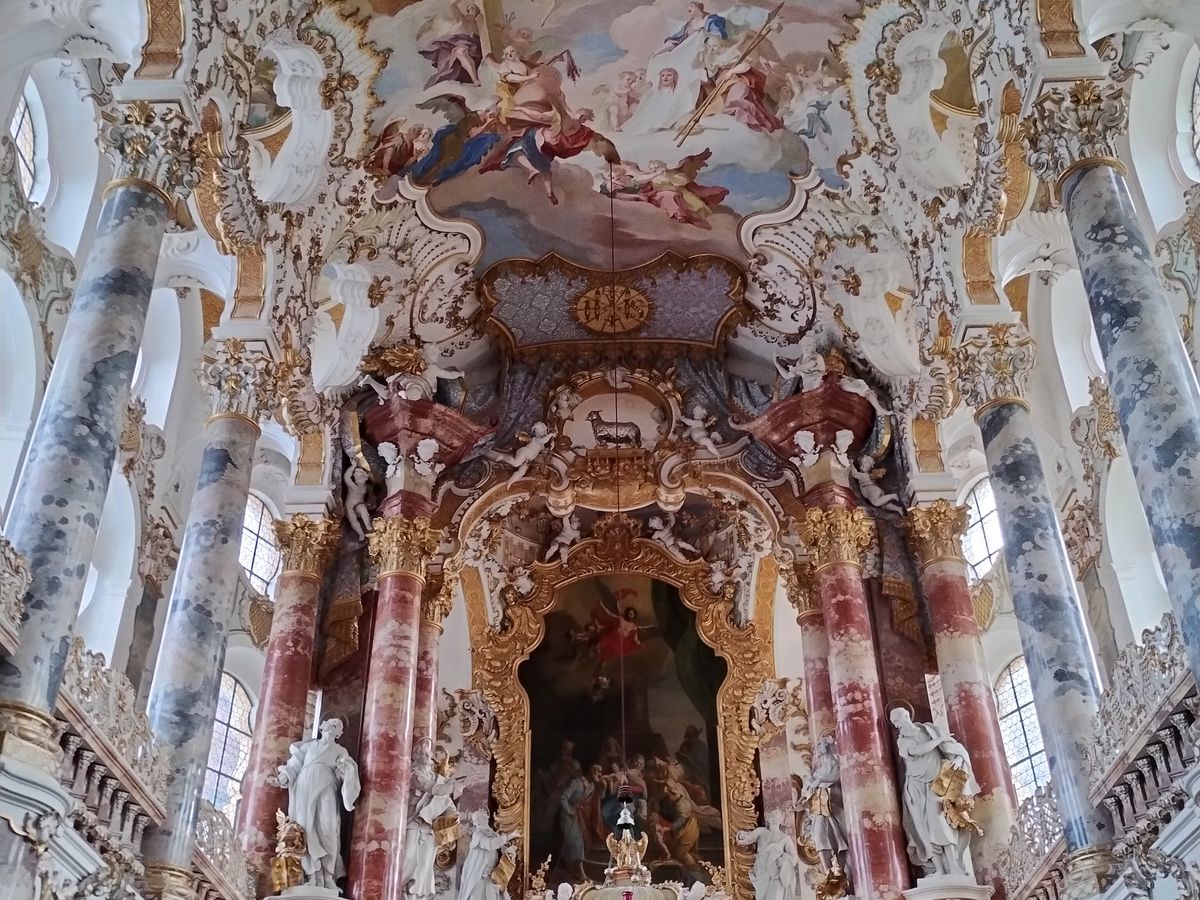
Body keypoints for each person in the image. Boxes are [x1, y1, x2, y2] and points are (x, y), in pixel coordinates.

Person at [890, 708, 981, 876]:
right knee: (924, 829)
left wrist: (958, 758)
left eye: (897, 721)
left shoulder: (929, 730)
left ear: (906, 716)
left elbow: (953, 748)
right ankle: (939, 869)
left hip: (939, 783)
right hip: (916, 788)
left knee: (939, 821)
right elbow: (916, 751)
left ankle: (953, 865)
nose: (896, 726)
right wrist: (939, 740)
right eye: (893, 723)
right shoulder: (902, 740)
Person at [275, 719, 361, 889]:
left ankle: (328, 877)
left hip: (327, 787)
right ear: (322, 727)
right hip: (304, 788)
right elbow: (294, 765)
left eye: (336, 726)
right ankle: (312, 876)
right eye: (330, 723)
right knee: (305, 829)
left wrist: (346, 767)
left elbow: (347, 772)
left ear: (339, 733)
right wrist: (285, 776)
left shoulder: (340, 751)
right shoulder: (308, 747)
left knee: (328, 829)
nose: (332, 727)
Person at [736, 812, 801, 900]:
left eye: (777, 817)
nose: (774, 820)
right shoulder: (761, 831)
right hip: (761, 870)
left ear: (781, 820)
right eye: (772, 817)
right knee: (761, 897)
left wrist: (783, 860)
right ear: (768, 819)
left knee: (775, 896)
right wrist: (742, 836)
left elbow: (794, 857)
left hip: (775, 873)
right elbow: (749, 837)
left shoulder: (785, 838)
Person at [458, 810, 519, 900]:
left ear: (485, 819)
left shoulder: (494, 835)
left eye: (478, 819)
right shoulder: (478, 835)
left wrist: (509, 853)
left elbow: (502, 849)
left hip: (492, 876)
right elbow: (490, 844)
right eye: (475, 820)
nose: (476, 823)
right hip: (479, 876)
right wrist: (510, 836)